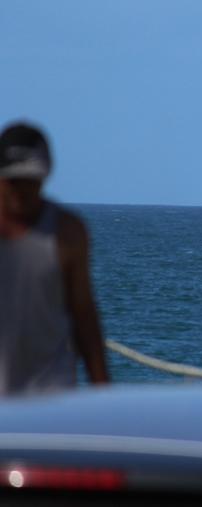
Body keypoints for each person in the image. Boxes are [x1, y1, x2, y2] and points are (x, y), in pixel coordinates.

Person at [0, 121, 110, 395]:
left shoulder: (67, 233)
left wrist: (104, 394)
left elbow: (84, 314)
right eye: (14, 180)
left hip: (51, 396)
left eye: (31, 180)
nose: (22, 190)